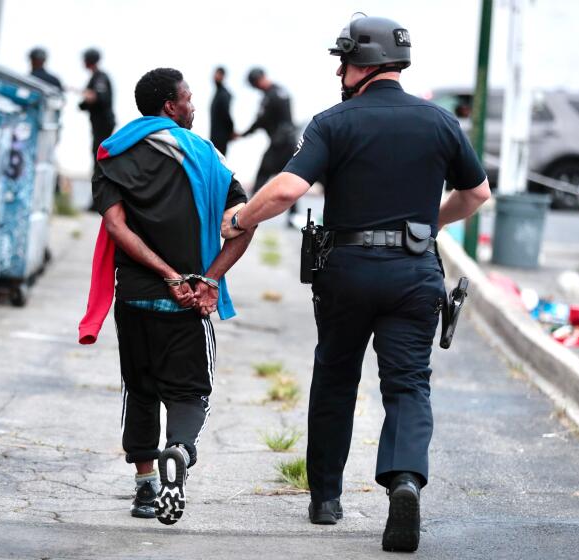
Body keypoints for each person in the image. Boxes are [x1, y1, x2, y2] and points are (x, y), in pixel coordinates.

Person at [222, 14, 490, 553]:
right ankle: (406, 480)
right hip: (415, 273)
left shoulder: (332, 123)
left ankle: (325, 499)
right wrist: (426, 224)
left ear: (358, 65)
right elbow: (477, 194)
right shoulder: (440, 122)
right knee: (408, 383)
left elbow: (285, 191)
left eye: (341, 61)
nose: (338, 71)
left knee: (336, 377)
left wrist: (239, 219)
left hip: (347, 271)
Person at [77, 68, 254, 526]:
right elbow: (244, 221)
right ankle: (178, 450)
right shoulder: (206, 156)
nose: (193, 106)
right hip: (189, 300)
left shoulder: (113, 154)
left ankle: (143, 487)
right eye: (188, 99)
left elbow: (116, 227)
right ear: (170, 107)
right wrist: (207, 279)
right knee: (190, 390)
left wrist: (163, 274)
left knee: (139, 388)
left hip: (134, 298)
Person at [237, 67, 298, 225]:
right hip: (289, 141)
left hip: (280, 143)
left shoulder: (270, 96)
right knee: (290, 178)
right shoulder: (281, 91)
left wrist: (243, 134)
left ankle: (248, 212)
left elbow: (260, 121)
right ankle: (293, 216)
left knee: (262, 174)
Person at [78, 48, 116, 174]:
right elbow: (85, 103)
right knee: (97, 153)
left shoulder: (100, 77)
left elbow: (101, 97)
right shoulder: (94, 77)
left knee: (100, 154)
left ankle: (101, 186)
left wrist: (89, 96)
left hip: (103, 123)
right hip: (97, 123)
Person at [209, 66, 235, 155]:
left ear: (223, 76)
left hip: (221, 137)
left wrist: (231, 131)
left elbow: (226, 114)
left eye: (218, 74)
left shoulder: (224, 94)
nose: (215, 76)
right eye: (215, 73)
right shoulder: (218, 93)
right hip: (215, 136)